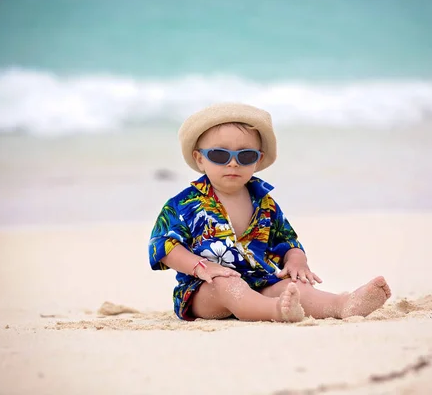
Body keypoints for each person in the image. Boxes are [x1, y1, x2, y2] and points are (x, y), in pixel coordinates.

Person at [148, 103, 391, 322]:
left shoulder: (265, 202)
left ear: (258, 159)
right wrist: (201, 267)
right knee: (229, 286)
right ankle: (276, 311)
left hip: (261, 280)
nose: (233, 163)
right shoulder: (184, 203)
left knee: (294, 287)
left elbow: (287, 240)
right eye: (220, 155)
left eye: (245, 156)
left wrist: (298, 261)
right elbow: (164, 246)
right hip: (205, 290)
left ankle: (341, 304)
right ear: (199, 159)